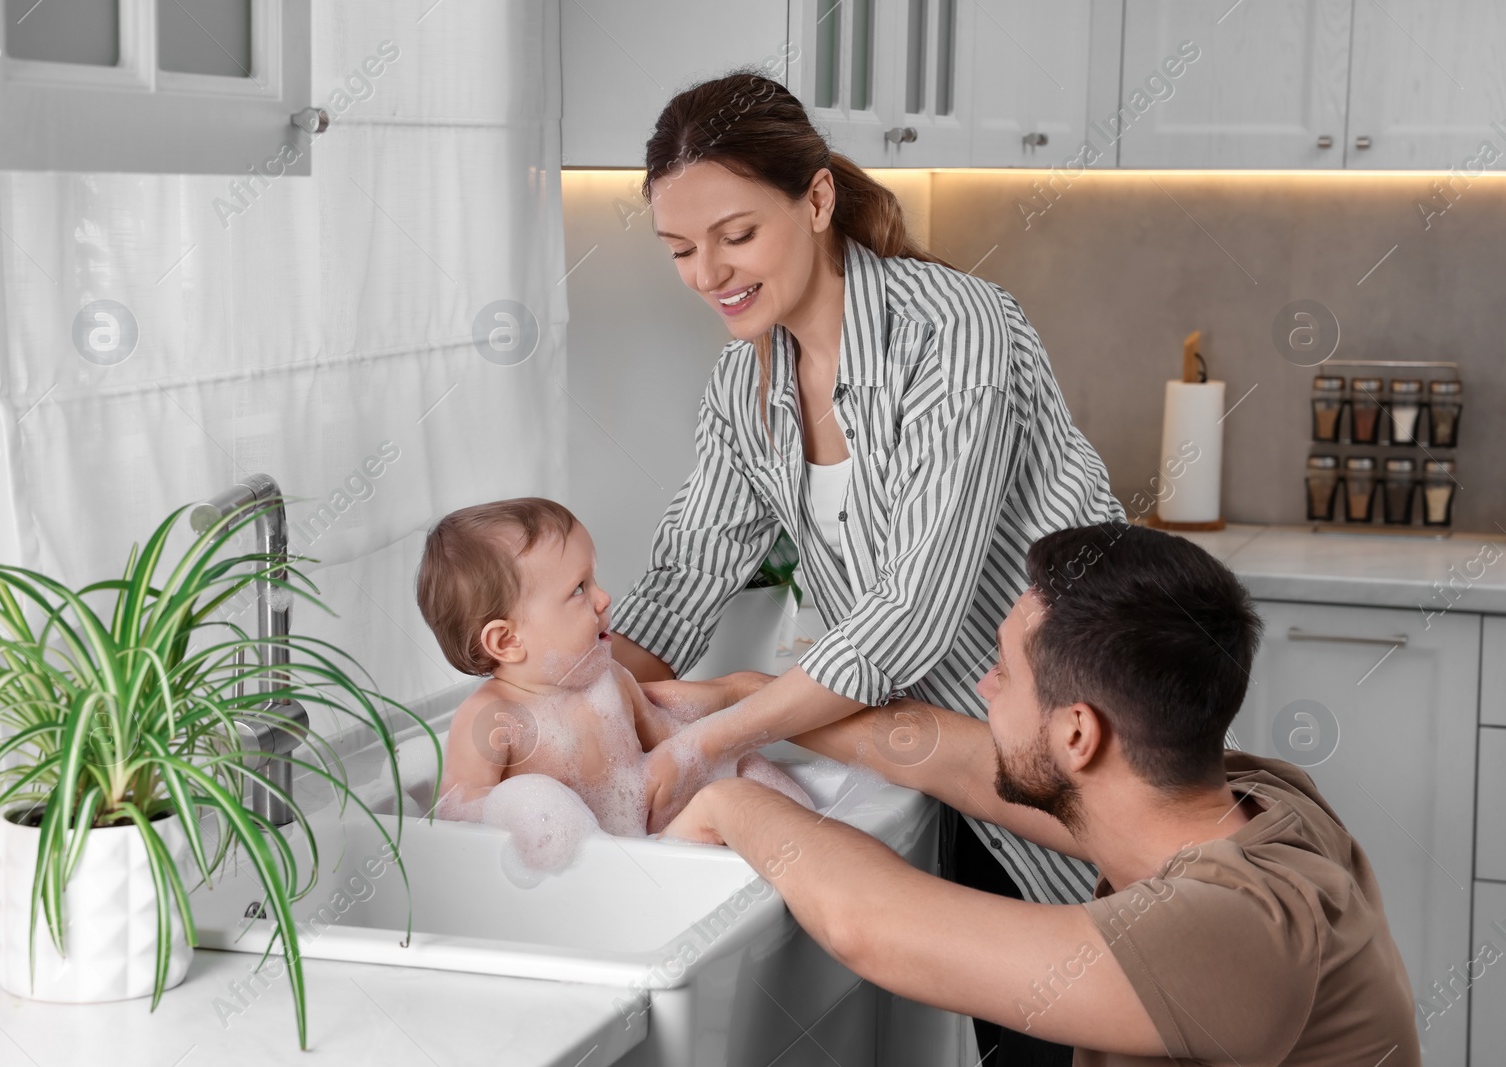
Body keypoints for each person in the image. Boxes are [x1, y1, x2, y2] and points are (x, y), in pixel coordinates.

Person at [607, 71, 1121, 1061]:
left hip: (1084, 754)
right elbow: (677, 584)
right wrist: (557, 696)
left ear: (815, 198)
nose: (708, 272)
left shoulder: (957, 328)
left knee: (1108, 1034)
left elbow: (911, 614)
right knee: (1023, 1043)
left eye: (735, 234)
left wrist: (698, 739)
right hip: (948, 767)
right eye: (679, 249)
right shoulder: (744, 382)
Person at [662, 523, 1421, 1065]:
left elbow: (876, 928)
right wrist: (735, 702)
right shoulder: (1251, 796)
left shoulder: (1235, 931)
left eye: (1003, 673)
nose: (984, 688)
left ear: (1078, 736)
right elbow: (952, 760)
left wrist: (731, 802)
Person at [414, 497, 809, 848]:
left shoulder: (611, 680)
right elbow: (458, 819)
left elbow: (672, 740)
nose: (604, 598)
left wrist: (725, 754)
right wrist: (525, 814)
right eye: (579, 589)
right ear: (506, 642)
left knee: (738, 787)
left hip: (649, 845)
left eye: (594, 579)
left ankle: (798, 827)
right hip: (577, 871)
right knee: (720, 814)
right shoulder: (492, 717)